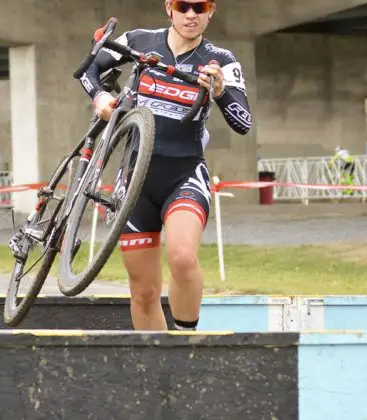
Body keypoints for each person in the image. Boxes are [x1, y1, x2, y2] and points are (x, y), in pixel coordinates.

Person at [79, 0, 252, 331]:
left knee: (183, 259)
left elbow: (243, 122)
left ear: (211, 11)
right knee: (143, 293)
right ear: (169, 9)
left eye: (199, 7)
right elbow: (89, 68)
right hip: (133, 182)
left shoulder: (222, 61)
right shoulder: (141, 41)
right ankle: (159, 373)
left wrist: (219, 91)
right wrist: (99, 97)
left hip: (183, 175)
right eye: (183, 6)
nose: (191, 15)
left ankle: (185, 349)